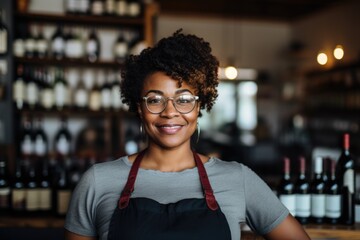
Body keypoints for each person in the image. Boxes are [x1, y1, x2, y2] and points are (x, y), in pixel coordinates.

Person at [65, 30, 310, 240]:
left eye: (183, 99)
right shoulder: (97, 182)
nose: (170, 112)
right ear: (139, 108)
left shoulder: (238, 179)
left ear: (199, 106)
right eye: (155, 100)